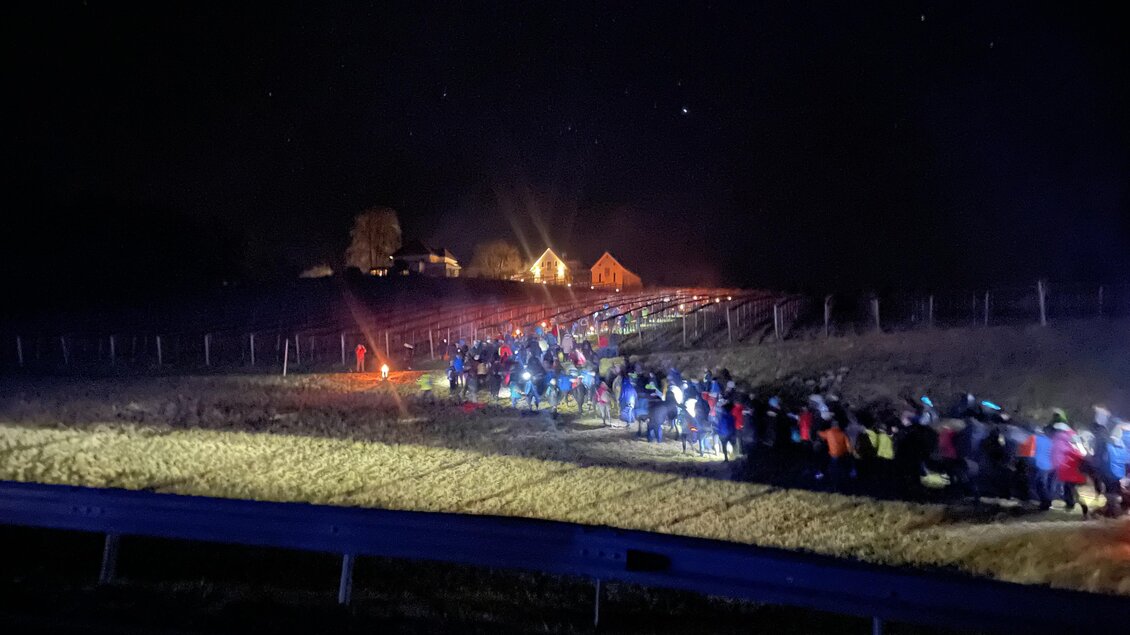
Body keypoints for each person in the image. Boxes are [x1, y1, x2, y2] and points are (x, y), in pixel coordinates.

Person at [1051, 421, 1089, 517]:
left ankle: (1078, 505)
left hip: (1068, 470)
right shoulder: (1071, 445)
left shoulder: (1064, 445)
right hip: (1071, 470)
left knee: (1070, 489)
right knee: (1069, 488)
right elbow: (1081, 456)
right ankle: (1073, 505)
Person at [818, 421, 852, 493]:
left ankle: (834, 486)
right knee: (841, 470)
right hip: (842, 455)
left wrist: (818, 430)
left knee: (833, 470)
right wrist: (849, 453)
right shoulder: (843, 434)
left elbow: (820, 434)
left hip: (833, 455)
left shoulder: (829, 432)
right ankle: (842, 484)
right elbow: (848, 445)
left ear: (831, 426)